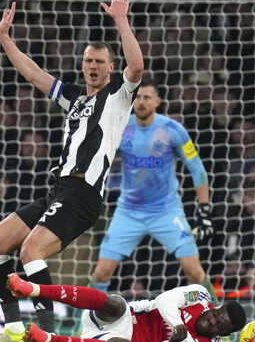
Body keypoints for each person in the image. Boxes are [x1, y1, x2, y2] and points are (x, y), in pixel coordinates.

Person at [0, 0, 144, 342]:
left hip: (83, 194)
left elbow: (137, 66)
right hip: (58, 190)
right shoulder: (74, 98)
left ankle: (48, 338)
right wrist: (6, 40)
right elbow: (35, 74)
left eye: (100, 61)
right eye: (88, 61)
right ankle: (14, 329)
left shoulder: (118, 97)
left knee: (30, 251)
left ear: (110, 68)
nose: (93, 66)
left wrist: (121, 20)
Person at [89, 84, 220, 304]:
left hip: (166, 211)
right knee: (101, 272)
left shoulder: (173, 130)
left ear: (157, 102)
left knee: (195, 272)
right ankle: (82, 324)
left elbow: (198, 170)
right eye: (138, 97)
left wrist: (205, 210)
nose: (141, 101)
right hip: (128, 212)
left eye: (147, 97)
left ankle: (220, 326)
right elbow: (97, 159)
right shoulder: (121, 127)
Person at [7, 273, 246, 342]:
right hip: (120, 317)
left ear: (222, 334)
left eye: (219, 327)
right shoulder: (201, 296)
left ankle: (46, 339)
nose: (212, 322)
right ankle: (33, 289)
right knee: (116, 304)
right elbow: (164, 301)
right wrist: (186, 340)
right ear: (216, 307)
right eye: (217, 315)